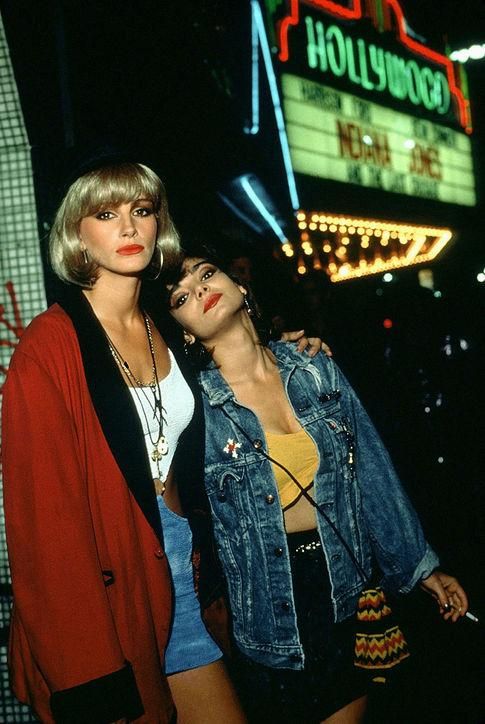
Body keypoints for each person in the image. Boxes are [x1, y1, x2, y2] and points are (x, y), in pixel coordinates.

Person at [165, 250, 469, 724]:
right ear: (184, 330)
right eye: (182, 295)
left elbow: (371, 472)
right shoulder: (193, 407)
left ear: (242, 287)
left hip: (346, 593)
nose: (201, 289)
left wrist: (420, 566)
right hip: (267, 610)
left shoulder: (315, 368)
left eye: (207, 274)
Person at [2, 159, 247, 723]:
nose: (130, 227)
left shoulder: (171, 324)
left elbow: (242, 361)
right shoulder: (49, 348)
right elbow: (46, 532)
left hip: (184, 576)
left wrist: (300, 352)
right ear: (77, 234)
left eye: (142, 211)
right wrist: (91, 681)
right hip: (109, 596)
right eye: (106, 213)